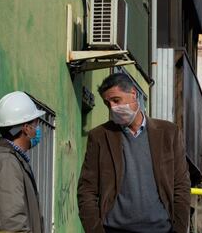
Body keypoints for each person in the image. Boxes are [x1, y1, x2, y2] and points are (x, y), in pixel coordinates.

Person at [77, 73, 191, 233]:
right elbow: (87, 189)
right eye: (107, 103)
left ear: (133, 94)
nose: (112, 108)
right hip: (114, 229)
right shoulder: (100, 136)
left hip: (161, 229)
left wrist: (179, 229)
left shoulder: (169, 133)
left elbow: (181, 186)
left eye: (116, 100)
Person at [0, 91, 44, 232]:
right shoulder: (6, 162)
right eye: (36, 124)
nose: (38, 129)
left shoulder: (8, 158)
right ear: (27, 128)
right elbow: (12, 224)